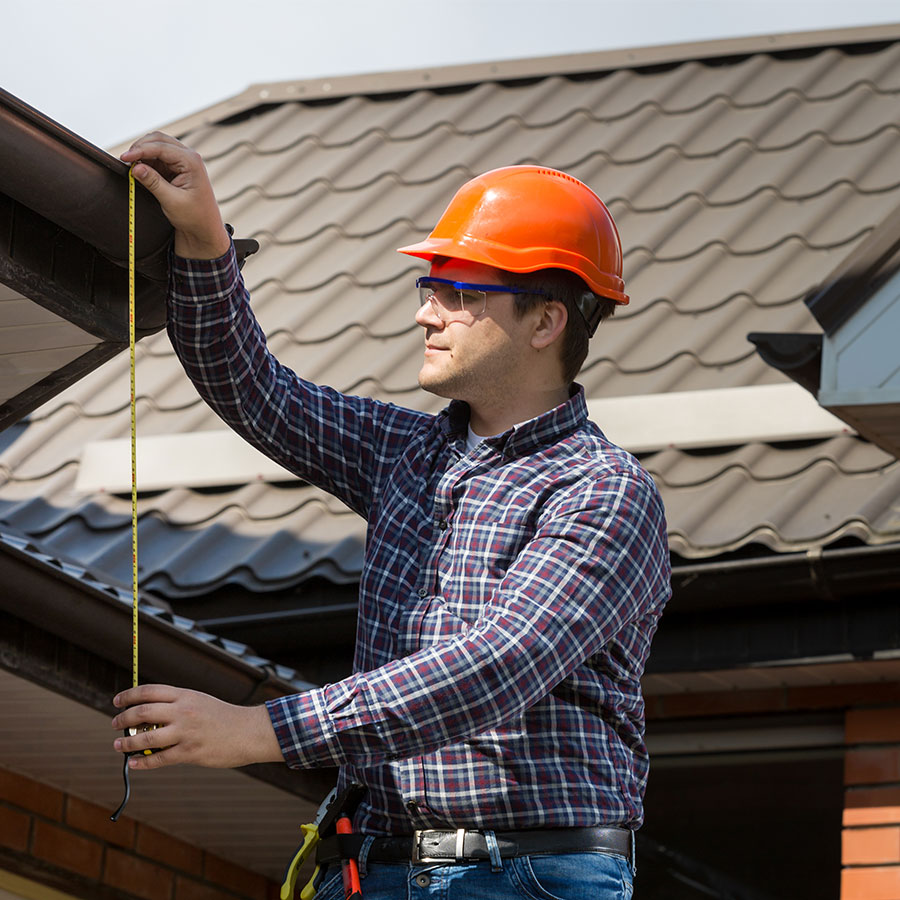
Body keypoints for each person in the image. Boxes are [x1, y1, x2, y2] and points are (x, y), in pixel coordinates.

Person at [112, 133, 671, 900]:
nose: (427, 314)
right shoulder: (407, 451)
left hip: (528, 875)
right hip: (379, 865)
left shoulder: (603, 494)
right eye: (429, 288)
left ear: (546, 322)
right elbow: (252, 389)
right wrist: (207, 242)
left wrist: (259, 731)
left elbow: (492, 669)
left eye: (461, 291)